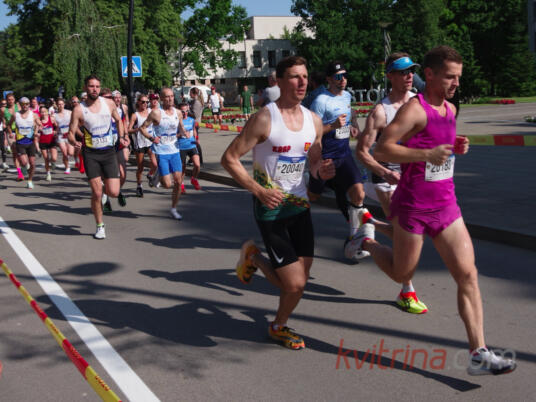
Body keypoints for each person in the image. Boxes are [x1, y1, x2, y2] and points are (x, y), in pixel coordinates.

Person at [355, 45, 516, 375]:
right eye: (450, 77)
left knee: (468, 274)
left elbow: (440, 146)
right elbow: (382, 148)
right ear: (429, 75)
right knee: (402, 274)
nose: (456, 83)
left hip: (446, 206)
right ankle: (368, 242)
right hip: (413, 206)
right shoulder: (414, 110)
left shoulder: (451, 109)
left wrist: (458, 146)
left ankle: (478, 352)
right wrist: (425, 156)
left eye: (458, 77)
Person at [221, 56, 334, 350]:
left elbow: (314, 162)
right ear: (280, 81)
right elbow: (229, 159)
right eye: (295, 76)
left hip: (299, 206)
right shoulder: (265, 118)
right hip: (270, 208)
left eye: (305, 76)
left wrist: (321, 171)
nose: (302, 82)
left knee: (300, 281)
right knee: (294, 283)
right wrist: (259, 191)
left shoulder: (314, 121)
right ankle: (257, 261)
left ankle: (278, 324)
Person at [356, 52, 427, 314]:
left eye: (412, 71)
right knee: (406, 236)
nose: (409, 76)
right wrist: (383, 172)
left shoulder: (419, 102)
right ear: (390, 76)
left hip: (412, 178)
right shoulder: (381, 112)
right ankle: (406, 291)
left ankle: (367, 228)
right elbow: (362, 152)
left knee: (410, 233)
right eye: (403, 72)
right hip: (387, 179)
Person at [308, 61, 371, 261]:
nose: (343, 79)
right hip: (325, 159)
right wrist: (333, 125)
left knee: (358, 193)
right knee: (313, 196)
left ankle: (354, 238)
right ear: (329, 79)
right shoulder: (320, 101)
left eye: (345, 75)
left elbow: (351, 115)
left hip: (344, 156)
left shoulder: (347, 96)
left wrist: (353, 127)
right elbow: (312, 132)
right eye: (338, 76)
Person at [67, 74, 125, 239]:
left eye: (97, 86)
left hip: (108, 152)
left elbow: (119, 120)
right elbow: (70, 133)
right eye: (91, 86)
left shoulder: (109, 103)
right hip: (91, 154)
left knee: (113, 192)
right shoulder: (79, 109)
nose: (95, 89)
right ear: (85, 88)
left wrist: (122, 137)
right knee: (97, 193)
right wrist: (74, 142)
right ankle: (100, 226)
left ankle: (105, 191)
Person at [139, 87, 187, 220]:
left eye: (171, 96)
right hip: (161, 151)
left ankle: (174, 209)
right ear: (161, 99)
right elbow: (142, 128)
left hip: (175, 150)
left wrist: (184, 133)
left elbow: (181, 127)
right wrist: (151, 138)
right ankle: (157, 175)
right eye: (167, 96)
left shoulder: (178, 112)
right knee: (167, 184)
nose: (170, 99)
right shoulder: (156, 113)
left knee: (178, 181)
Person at [5, 97, 42, 188]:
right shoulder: (16, 115)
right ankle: (24, 168)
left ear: (29, 104)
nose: (25, 106)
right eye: (23, 104)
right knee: (25, 163)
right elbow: (8, 125)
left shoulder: (33, 115)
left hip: (31, 142)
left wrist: (38, 129)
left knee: (32, 163)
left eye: (27, 104)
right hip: (20, 142)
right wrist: (10, 133)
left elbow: (39, 123)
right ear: (20, 105)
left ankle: (30, 180)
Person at [129, 93, 157, 197]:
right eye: (143, 102)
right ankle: (139, 186)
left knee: (155, 164)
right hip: (140, 143)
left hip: (150, 141)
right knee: (140, 167)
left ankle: (150, 175)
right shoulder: (135, 115)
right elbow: (128, 130)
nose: (145, 104)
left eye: (147, 102)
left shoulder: (151, 112)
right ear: (138, 102)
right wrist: (138, 129)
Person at [177, 102, 201, 192]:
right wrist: (181, 134)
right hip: (181, 147)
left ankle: (193, 179)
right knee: (183, 168)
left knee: (197, 165)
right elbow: (173, 135)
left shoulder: (191, 120)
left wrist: (196, 138)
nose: (185, 113)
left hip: (191, 145)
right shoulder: (176, 121)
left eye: (186, 111)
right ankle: (181, 184)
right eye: (183, 112)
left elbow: (194, 130)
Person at [2, 93, 23, 180]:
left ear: (14, 100)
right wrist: (4, 124)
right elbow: (3, 119)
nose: (10, 101)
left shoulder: (19, 107)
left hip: (21, 131)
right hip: (10, 132)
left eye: (12, 99)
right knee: (15, 152)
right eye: (9, 100)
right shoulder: (3, 110)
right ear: (6, 101)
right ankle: (19, 173)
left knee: (22, 151)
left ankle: (24, 164)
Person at [37, 105, 58, 182]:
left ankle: (53, 163)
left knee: (54, 158)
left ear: (47, 112)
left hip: (51, 141)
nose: (43, 113)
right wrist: (38, 130)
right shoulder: (39, 121)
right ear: (40, 113)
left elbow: (57, 126)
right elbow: (36, 132)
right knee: (46, 159)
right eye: (41, 112)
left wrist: (55, 131)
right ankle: (48, 173)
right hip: (43, 142)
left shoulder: (51, 119)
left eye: (44, 112)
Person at [54, 98, 74, 174]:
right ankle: (67, 167)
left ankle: (65, 159)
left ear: (64, 104)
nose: (60, 105)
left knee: (71, 153)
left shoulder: (69, 112)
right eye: (59, 104)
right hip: (60, 136)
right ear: (57, 105)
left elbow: (74, 121)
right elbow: (54, 126)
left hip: (69, 134)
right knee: (64, 153)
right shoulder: (54, 115)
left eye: (62, 104)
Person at [70, 96, 85, 174]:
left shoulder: (83, 109)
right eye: (73, 102)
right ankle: (76, 160)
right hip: (76, 132)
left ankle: (82, 165)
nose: (75, 103)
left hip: (84, 131)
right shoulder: (72, 112)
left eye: (77, 102)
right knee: (78, 150)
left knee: (83, 150)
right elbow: (74, 126)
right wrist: (81, 134)